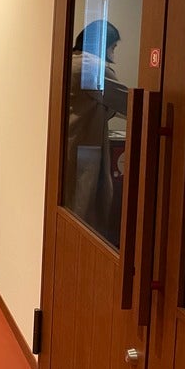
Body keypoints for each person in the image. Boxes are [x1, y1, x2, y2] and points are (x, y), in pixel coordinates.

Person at [64, 19, 127, 245]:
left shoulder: (71, 61)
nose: (113, 52)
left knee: (73, 201)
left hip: (72, 143)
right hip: (83, 146)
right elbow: (127, 103)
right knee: (83, 207)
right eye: (113, 46)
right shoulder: (91, 67)